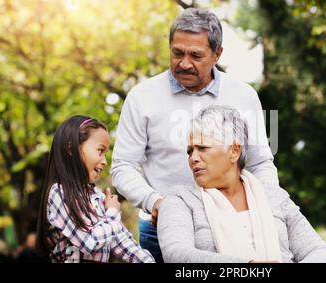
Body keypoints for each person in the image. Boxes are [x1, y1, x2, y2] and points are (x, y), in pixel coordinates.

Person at [111, 8, 280, 263]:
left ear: (217, 54)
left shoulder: (244, 96)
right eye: (177, 53)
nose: (184, 63)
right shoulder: (141, 97)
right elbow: (123, 166)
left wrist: (268, 210)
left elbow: (261, 163)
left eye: (196, 55)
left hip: (235, 227)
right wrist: (155, 202)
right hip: (161, 232)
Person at [157, 106, 326, 263]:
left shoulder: (274, 196)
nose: (193, 158)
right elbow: (177, 254)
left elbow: (319, 251)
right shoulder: (179, 201)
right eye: (190, 151)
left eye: (203, 148)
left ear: (234, 151)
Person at [36, 115, 154, 263]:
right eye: (100, 150)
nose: (104, 161)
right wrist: (112, 213)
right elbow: (89, 243)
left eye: (106, 154)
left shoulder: (96, 197)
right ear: (71, 148)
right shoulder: (59, 193)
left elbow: (122, 241)